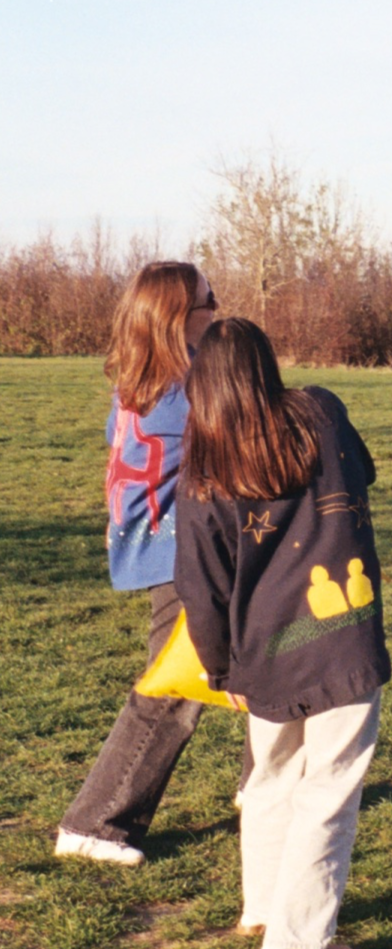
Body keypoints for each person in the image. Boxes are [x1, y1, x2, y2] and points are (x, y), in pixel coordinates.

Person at [175, 318, 391, 949]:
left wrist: (219, 668)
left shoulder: (203, 469)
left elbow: (199, 585)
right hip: (343, 642)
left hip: (261, 653)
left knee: (269, 780)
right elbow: (366, 471)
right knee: (329, 788)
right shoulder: (322, 411)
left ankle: (265, 910)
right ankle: (296, 940)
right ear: (266, 365)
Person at [56, 261, 232, 866]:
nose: (218, 309)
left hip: (159, 546)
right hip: (179, 553)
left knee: (253, 656)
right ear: (179, 316)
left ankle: (265, 782)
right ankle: (93, 824)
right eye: (210, 299)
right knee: (174, 685)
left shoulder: (140, 381)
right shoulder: (187, 391)